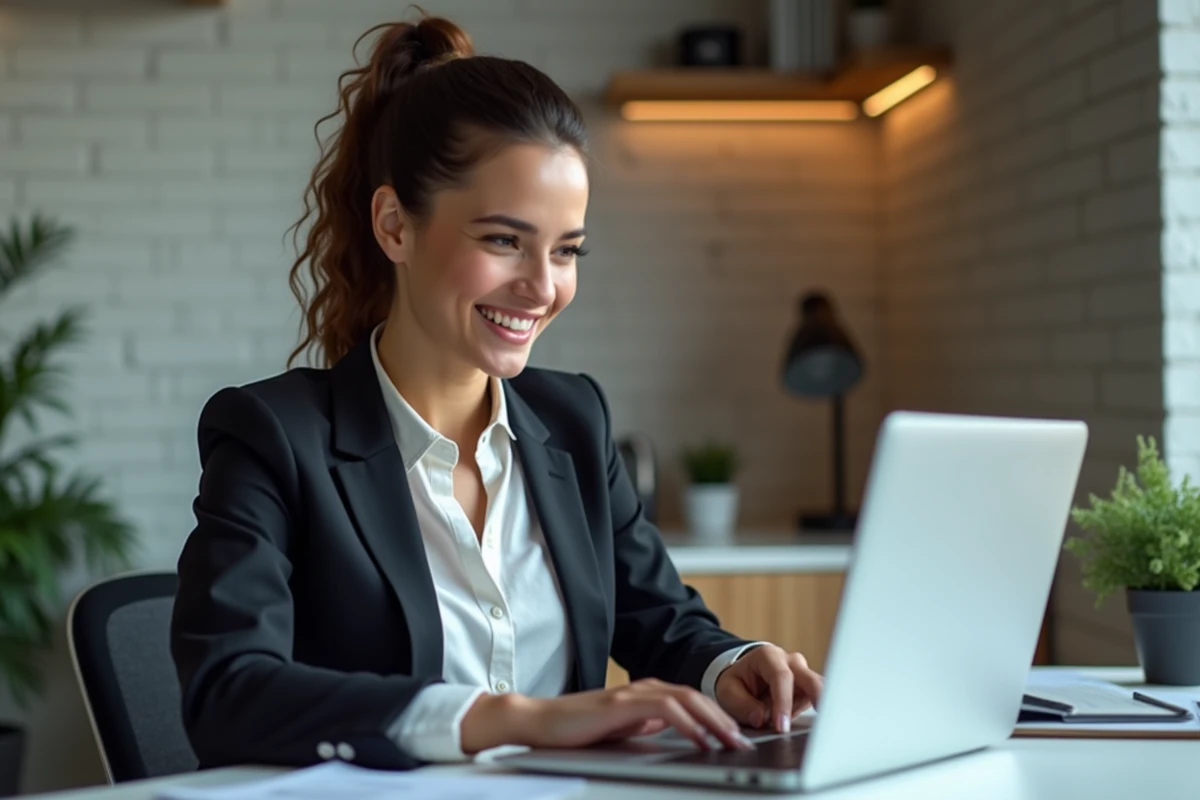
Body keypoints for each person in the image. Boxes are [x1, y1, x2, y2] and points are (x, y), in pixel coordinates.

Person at [170, 12, 823, 772]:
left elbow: (659, 618)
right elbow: (227, 694)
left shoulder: (573, 420)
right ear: (395, 227)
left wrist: (730, 664)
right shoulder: (273, 437)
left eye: (567, 250)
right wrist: (510, 719)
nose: (542, 288)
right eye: (504, 240)